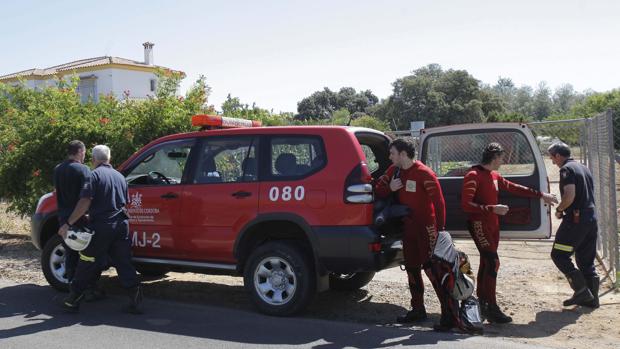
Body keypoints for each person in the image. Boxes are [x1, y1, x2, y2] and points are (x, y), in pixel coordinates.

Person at [461, 142, 557, 323]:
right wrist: (491, 208)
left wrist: (540, 195)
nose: (503, 161)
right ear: (494, 157)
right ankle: (492, 307)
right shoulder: (473, 175)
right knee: (493, 262)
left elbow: (514, 188)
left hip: (493, 226)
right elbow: (466, 205)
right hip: (479, 224)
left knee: (487, 263)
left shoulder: (494, 175)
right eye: (501, 158)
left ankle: (484, 303)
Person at [375, 139, 465, 331]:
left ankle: (449, 315)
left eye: (392, 153)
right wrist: (390, 188)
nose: (389, 157)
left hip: (427, 229)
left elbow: (439, 202)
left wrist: (440, 231)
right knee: (412, 269)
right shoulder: (394, 171)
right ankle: (417, 310)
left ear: (403, 154)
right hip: (408, 229)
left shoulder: (424, 173)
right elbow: (378, 190)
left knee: (434, 270)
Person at [58, 145, 142, 314]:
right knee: (123, 261)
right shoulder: (120, 177)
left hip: (101, 227)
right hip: (121, 226)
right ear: (109, 159)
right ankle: (135, 299)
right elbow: (124, 202)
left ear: (94, 159)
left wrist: (68, 223)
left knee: (87, 260)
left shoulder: (94, 175)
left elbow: (84, 202)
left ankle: (72, 300)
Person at [548, 142, 598, 308]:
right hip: (590, 219)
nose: (552, 161)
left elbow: (569, 195)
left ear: (558, 156)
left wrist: (560, 209)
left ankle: (581, 290)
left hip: (576, 221)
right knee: (586, 260)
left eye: (552, 157)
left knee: (559, 255)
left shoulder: (566, 170)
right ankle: (591, 300)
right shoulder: (582, 167)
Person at [54, 140, 104, 301]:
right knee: (86, 255)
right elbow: (87, 196)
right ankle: (88, 289)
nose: (85, 156)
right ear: (80, 152)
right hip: (80, 218)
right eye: (84, 153)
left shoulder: (58, 170)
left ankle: (72, 288)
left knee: (70, 254)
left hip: (63, 218)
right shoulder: (83, 170)